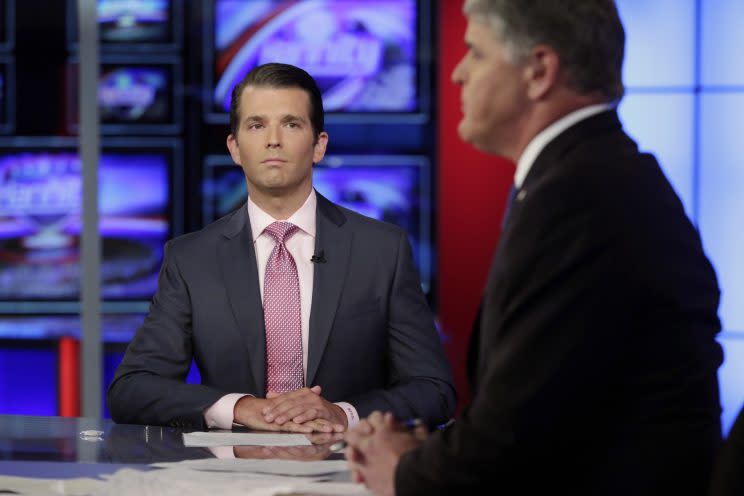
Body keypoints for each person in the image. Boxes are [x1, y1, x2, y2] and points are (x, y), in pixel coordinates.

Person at [345, 1, 723, 495]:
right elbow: (544, 408)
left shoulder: (581, 197)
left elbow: (512, 442)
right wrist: (422, 452)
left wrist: (402, 471)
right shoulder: (589, 175)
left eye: (476, 53)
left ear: (539, 71)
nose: (458, 74)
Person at [107, 63, 455, 433]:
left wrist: (344, 413)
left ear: (319, 145)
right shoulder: (191, 259)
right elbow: (132, 389)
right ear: (235, 147)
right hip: (231, 480)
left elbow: (434, 391)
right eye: (256, 125)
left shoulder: (382, 250)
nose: (273, 139)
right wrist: (240, 407)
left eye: (291, 124)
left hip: (349, 473)